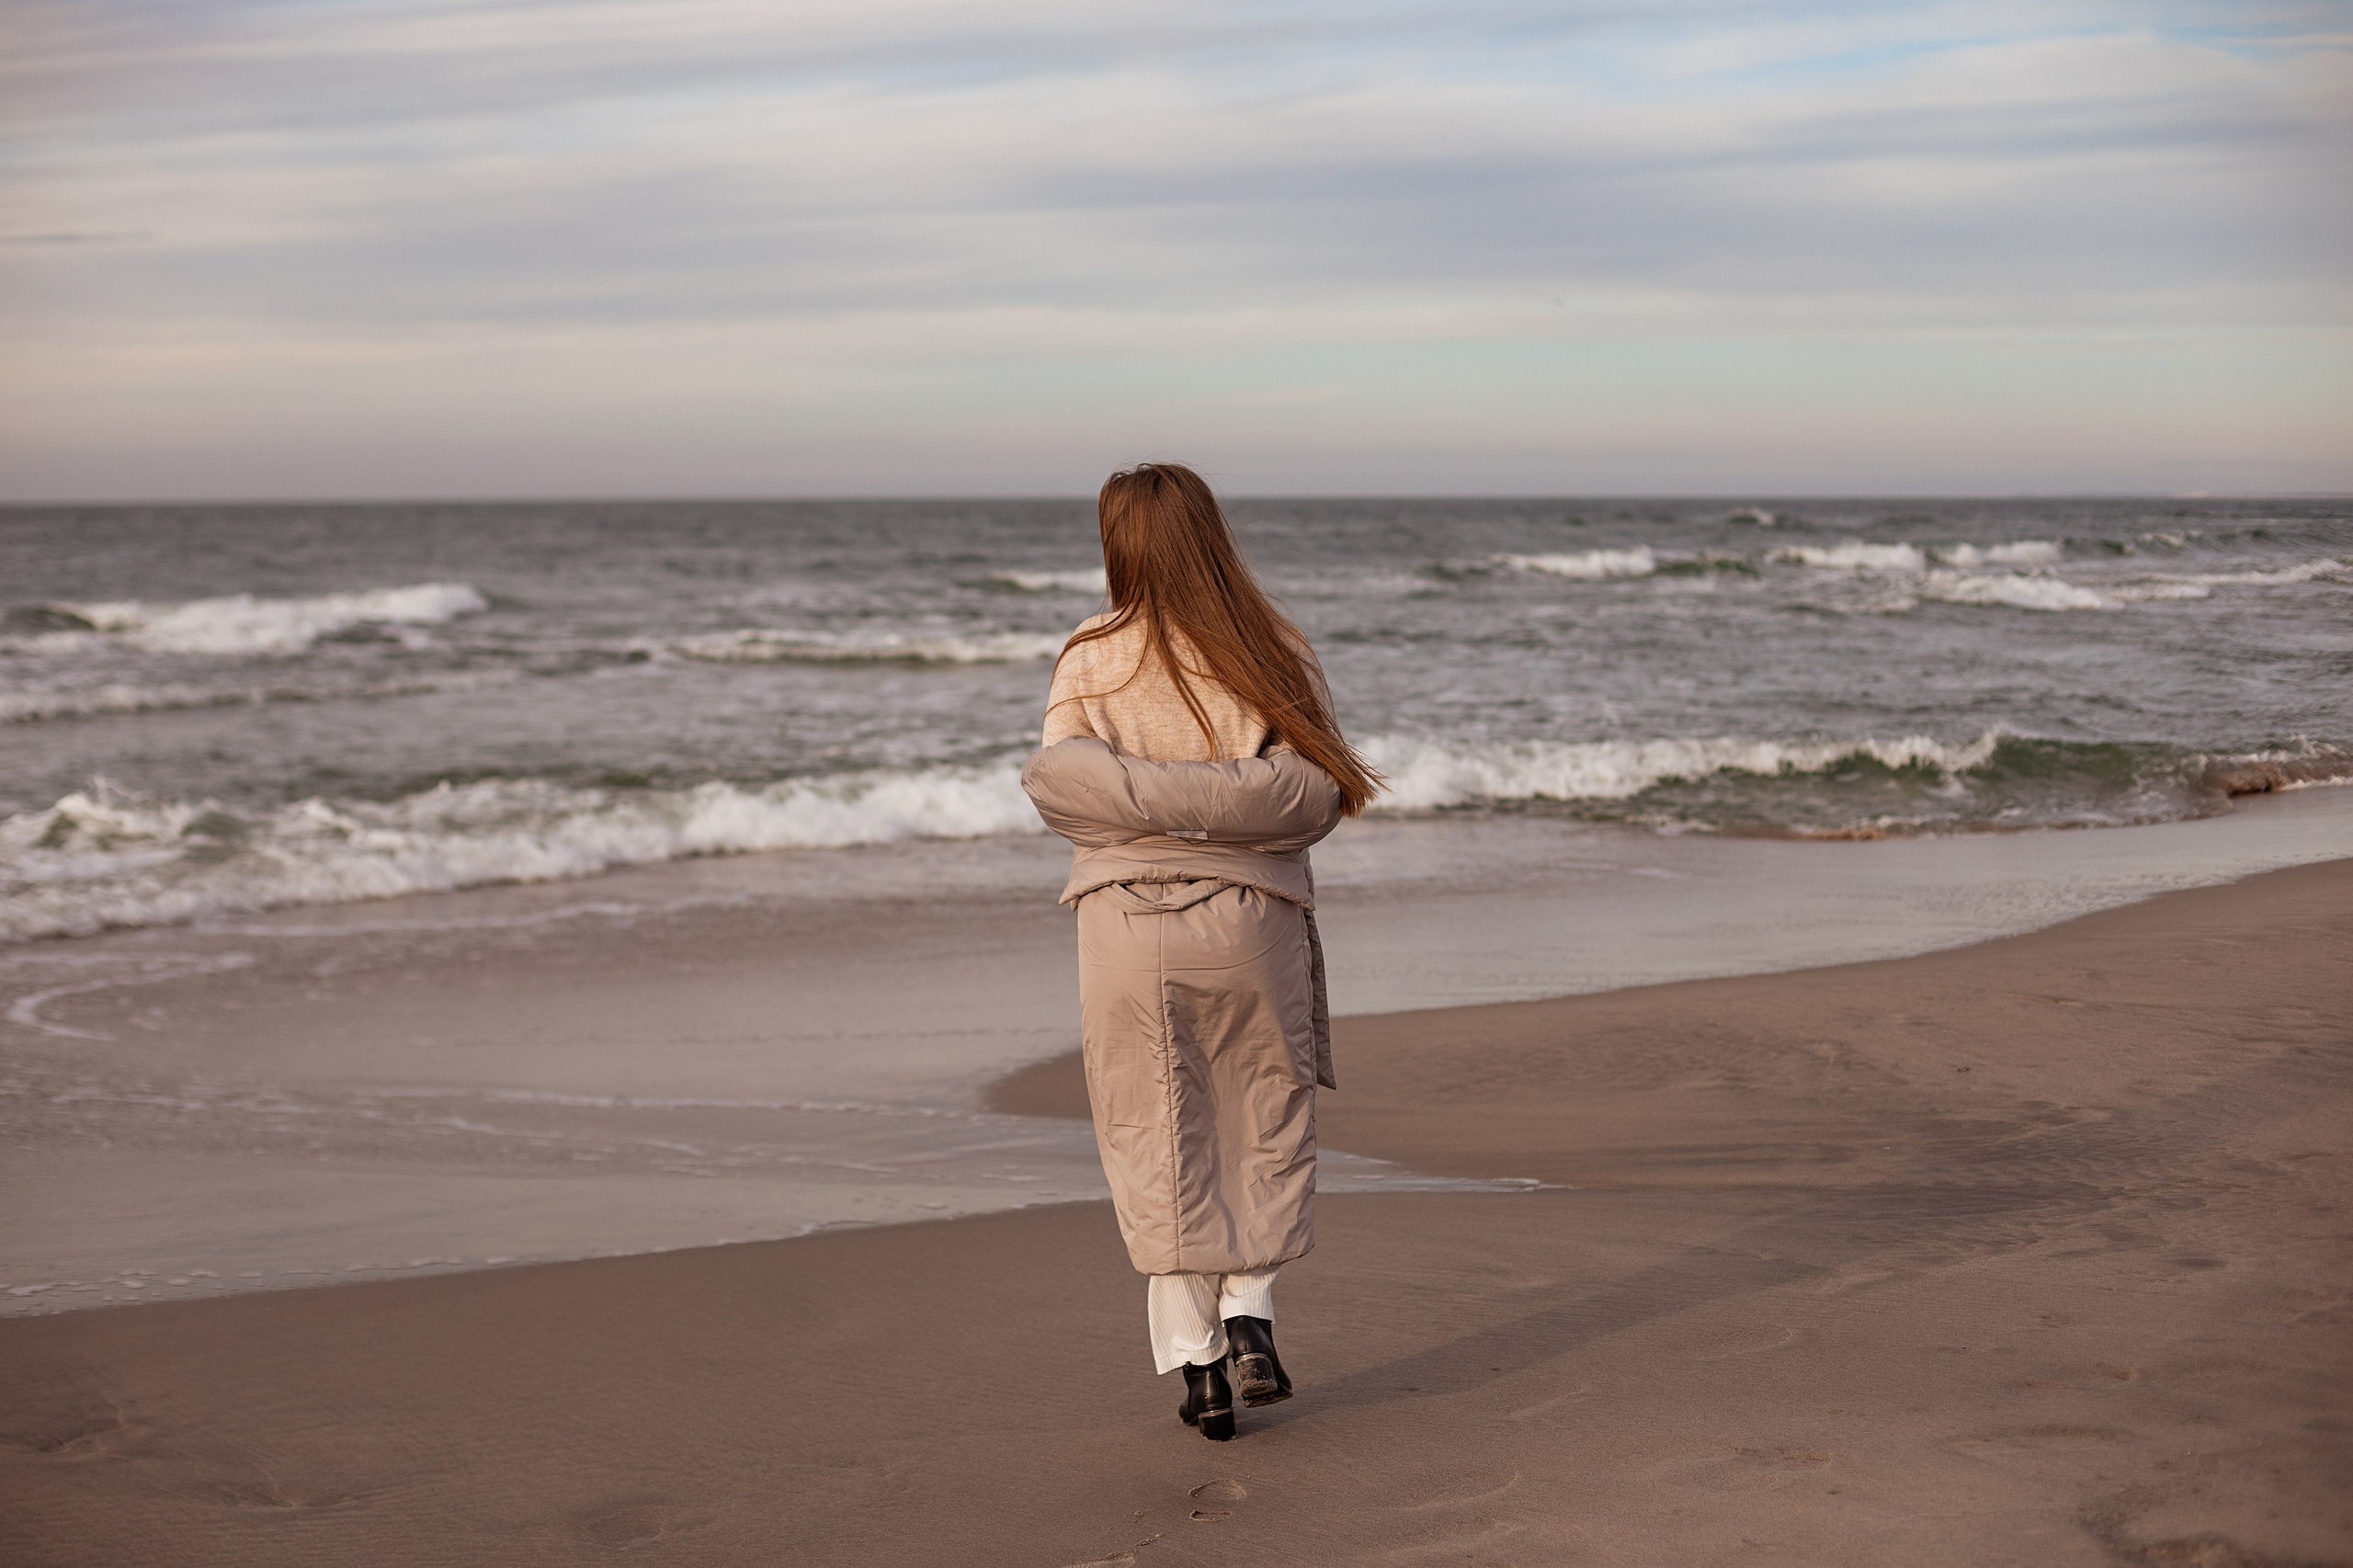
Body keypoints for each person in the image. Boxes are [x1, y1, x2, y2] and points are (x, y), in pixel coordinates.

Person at [1020, 462, 1381, 1441]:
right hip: (1251, 920)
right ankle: (1250, 1315)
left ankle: (1200, 1370)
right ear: (1209, 534)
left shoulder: (1089, 654)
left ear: (1118, 543)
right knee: (1260, 1109)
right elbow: (1311, 794)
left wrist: (1143, 803)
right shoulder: (1271, 646)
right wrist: (1222, 804)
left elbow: (1064, 787)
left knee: (1154, 1127)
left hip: (1124, 928)